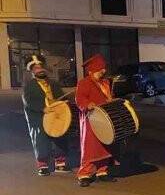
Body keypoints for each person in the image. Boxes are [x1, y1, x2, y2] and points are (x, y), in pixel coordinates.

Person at [21, 55, 70, 175]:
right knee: (41, 140)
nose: (40, 70)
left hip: (55, 115)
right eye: (37, 68)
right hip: (38, 116)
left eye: (41, 67)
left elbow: (60, 96)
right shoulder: (29, 86)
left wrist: (63, 102)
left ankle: (60, 163)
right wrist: (42, 108)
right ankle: (42, 165)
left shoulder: (53, 83)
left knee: (59, 136)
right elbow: (28, 102)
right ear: (32, 71)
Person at [75, 54, 116, 187]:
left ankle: (102, 171)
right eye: (100, 70)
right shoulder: (84, 83)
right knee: (90, 146)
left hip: (104, 118)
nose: (103, 72)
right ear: (91, 71)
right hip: (90, 119)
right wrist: (87, 104)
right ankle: (85, 174)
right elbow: (79, 98)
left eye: (103, 69)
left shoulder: (105, 82)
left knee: (105, 144)